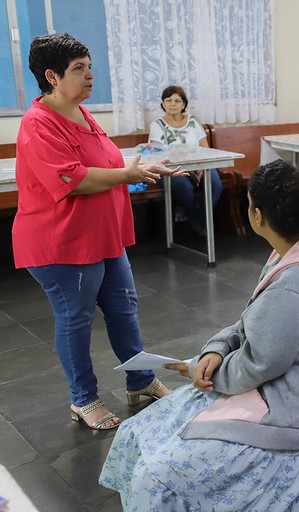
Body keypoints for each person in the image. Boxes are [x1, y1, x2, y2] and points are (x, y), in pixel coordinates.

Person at [99, 161, 299, 510]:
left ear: (257, 215)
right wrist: (216, 350)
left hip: (283, 416)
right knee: (139, 430)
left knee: (156, 472)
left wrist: (203, 372)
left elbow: (261, 362)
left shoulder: (298, 281)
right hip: (267, 391)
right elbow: (250, 322)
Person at [13, 33, 180, 431]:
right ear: (51, 76)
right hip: (64, 243)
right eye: (79, 69)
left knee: (124, 309)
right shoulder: (37, 123)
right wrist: (126, 173)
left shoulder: (81, 112)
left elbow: (104, 163)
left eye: (90, 67)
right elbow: (71, 179)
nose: (90, 76)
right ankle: (83, 399)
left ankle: (140, 380)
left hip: (103, 237)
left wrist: (143, 169)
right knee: (76, 318)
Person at [149, 85, 222, 236]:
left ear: (184, 104)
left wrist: (201, 166)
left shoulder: (193, 122)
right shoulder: (157, 125)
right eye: (168, 100)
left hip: (200, 163)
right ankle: (198, 222)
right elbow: (157, 154)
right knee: (183, 187)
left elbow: (205, 149)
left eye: (177, 100)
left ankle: (199, 221)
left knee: (215, 184)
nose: (172, 104)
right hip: (171, 168)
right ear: (162, 103)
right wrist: (186, 168)